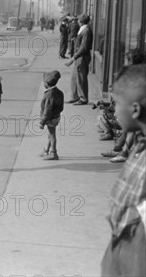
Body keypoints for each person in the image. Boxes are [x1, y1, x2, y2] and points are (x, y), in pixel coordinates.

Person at [100, 64, 146, 277]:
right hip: (122, 246)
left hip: (135, 255)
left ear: (135, 110)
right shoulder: (139, 146)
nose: (114, 110)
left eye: (117, 104)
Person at [65, 14, 93, 105]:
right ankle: (75, 96)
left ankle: (83, 98)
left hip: (82, 56)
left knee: (81, 77)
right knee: (74, 77)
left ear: (80, 21)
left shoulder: (86, 31)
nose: (77, 21)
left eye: (78, 20)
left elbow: (84, 47)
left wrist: (73, 58)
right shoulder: (83, 29)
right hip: (79, 56)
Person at [38, 70, 65, 160]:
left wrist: (42, 122)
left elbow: (47, 110)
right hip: (56, 116)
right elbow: (61, 107)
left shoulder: (49, 95)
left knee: (52, 135)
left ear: (47, 84)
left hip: (50, 118)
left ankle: (53, 153)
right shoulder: (59, 92)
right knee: (50, 134)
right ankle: (47, 150)